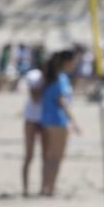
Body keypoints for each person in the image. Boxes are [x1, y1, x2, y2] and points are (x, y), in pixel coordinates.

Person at [39, 49, 81, 197]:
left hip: (47, 119)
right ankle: (50, 188)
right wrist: (74, 122)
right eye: (74, 61)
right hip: (57, 119)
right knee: (57, 157)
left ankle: (45, 186)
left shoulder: (51, 77)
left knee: (50, 156)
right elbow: (62, 101)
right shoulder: (61, 78)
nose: (75, 64)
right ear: (67, 62)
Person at [21, 65, 44, 196]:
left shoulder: (53, 76)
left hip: (44, 118)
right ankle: (25, 188)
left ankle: (43, 187)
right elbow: (34, 97)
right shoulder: (35, 75)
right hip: (31, 118)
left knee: (46, 156)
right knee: (29, 155)